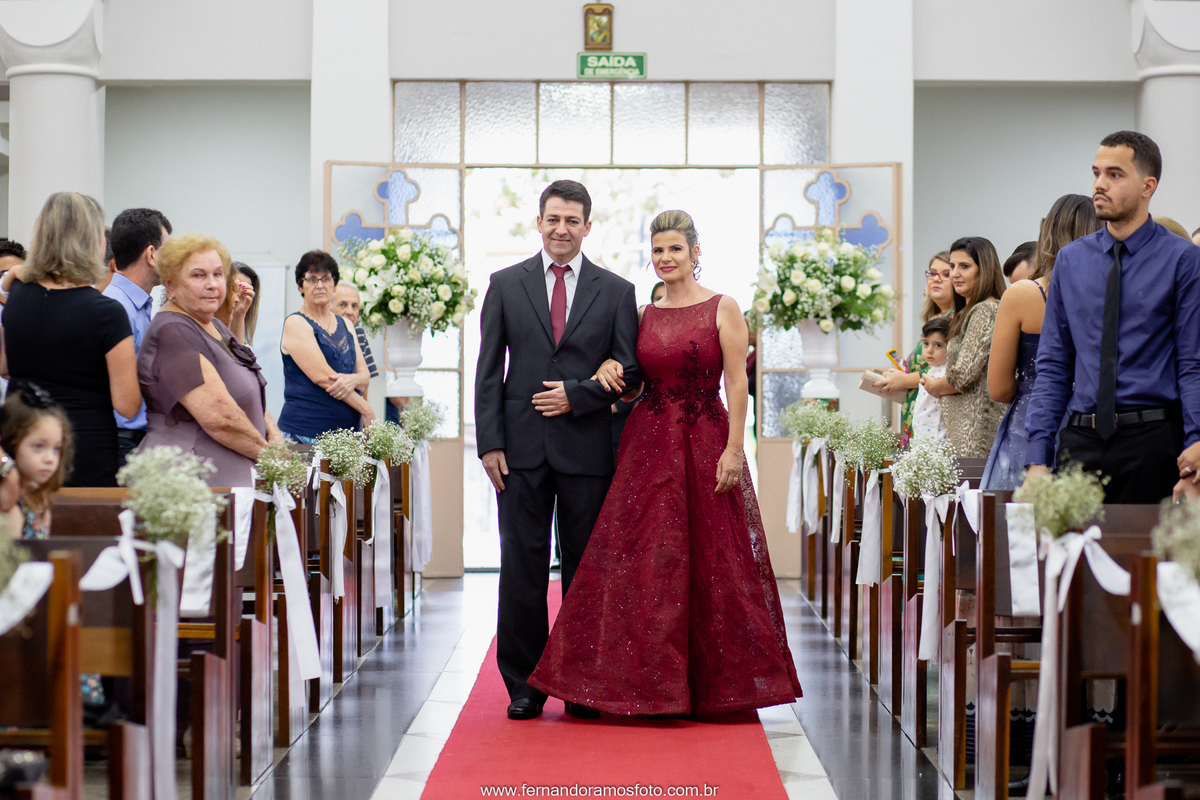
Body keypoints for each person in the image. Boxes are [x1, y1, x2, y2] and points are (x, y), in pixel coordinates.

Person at [528, 209, 801, 717]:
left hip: (704, 440)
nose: (666, 258)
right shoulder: (644, 313)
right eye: (657, 250)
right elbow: (633, 378)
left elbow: (738, 385)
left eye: (675, 249)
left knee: (712, 558)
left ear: (695, 252)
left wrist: (735, 450)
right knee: (645, 558)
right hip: (648, 445)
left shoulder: (724, 307)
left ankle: (711, 684)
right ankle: (647, 682)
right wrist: (612, 367)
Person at [474, 180, 642, 720]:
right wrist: (489, 442)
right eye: (553, 219)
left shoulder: (616, 291)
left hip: (587, 450)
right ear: (539, 222)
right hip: (517, 451)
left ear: (588, 227)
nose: (561, 229)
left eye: (572, 220)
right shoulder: (504, 284)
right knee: (519, 568)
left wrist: (579, 396)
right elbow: (487, 370)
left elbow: (631, 371)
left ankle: (581, 681)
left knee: (585, 571)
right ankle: (523, 684)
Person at [1025, 131, 1200, 504]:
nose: (1099, 185)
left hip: (1153, 440)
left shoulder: (1183, 260)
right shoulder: (1072, 261)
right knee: (1071, 560)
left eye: (1115, 174)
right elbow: (1054, 364)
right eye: (1096, 173)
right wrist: (1037, 458)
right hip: (1079, 442)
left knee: (1147, 560)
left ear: (1147, 185)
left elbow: (1193, 363)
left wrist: (1197, 439)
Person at [1, 193, 140, 487]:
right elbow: (128, 405)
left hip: (23, 442)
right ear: (93, 241)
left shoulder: (18, 297)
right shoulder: (106, 312)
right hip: (83, 450)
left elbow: (5, 367)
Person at [138, 234, 281, 488]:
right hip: (193, 483)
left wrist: (275, 435)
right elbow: (220, 418)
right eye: (198, 275)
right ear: (170, 284)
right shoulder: (172, 331)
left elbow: (246, 389)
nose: (213, 284)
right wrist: (274, 460)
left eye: (217, 274)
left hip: (233, 482)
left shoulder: (214, 324)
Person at [982, 195, 1099, 490]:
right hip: (1093, 427)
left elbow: (998, 388)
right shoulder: (1109, 292)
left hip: (1030, 428)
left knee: (1019, 529)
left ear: (1046, 236)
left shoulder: (1023, 295)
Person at [921, 237, 1007, 458]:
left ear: (985, 270)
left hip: (975, 428)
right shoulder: (967, 311)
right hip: (963, 426)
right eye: (952, 266)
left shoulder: (985, 310)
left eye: (964, 266)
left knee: (971, 490)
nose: (955, 273)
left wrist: (936, 386)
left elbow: (963, 375)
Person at [277, 251, 374, 442]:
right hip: (304, 435)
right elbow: (325, 379)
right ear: (300, 285)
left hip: (346, 439)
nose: (320, 285)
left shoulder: (346, 325)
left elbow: (365, 376)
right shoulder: (296, 323)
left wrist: (353, 380)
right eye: (312, 279)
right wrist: (366, 410)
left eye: (326, 279)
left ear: (335, 284)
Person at [106, 208, 173, 467]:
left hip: (136, 439)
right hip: (125, 441)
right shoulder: (117, 308)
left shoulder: (140, 305)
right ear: (152, 254)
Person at [873, 251, 955, 444]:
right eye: (932, 273)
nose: (936, 279)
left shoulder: (955, 321)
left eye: (945, 274)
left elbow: (945, 372)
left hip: (935, 419)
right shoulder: (935, 319)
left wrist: (904, 380)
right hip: (916, 411)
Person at [1, 382, 70, 539]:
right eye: (38, 446)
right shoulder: (10, 509)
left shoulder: (39, 500)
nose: (50, 459)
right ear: (12, 444)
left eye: (56, 449)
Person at [332, 282, 380, 387]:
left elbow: (365, 382)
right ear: (328, 308)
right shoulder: (319, 332)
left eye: (354, 306)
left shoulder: (358, 331)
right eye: (342, 305)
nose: (350, 311)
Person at [911, 317, 950, 441]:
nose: (930, 350)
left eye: (938, 345)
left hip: (936, 438)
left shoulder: (947, 372)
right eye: (926, 343)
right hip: (922, 437)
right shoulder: (932, 369)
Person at [214, 262, 259, 345]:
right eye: (233, 288)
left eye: (243, 292)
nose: (237, 298)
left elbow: (238, 356)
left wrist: (239, 315)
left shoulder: (238, 323)